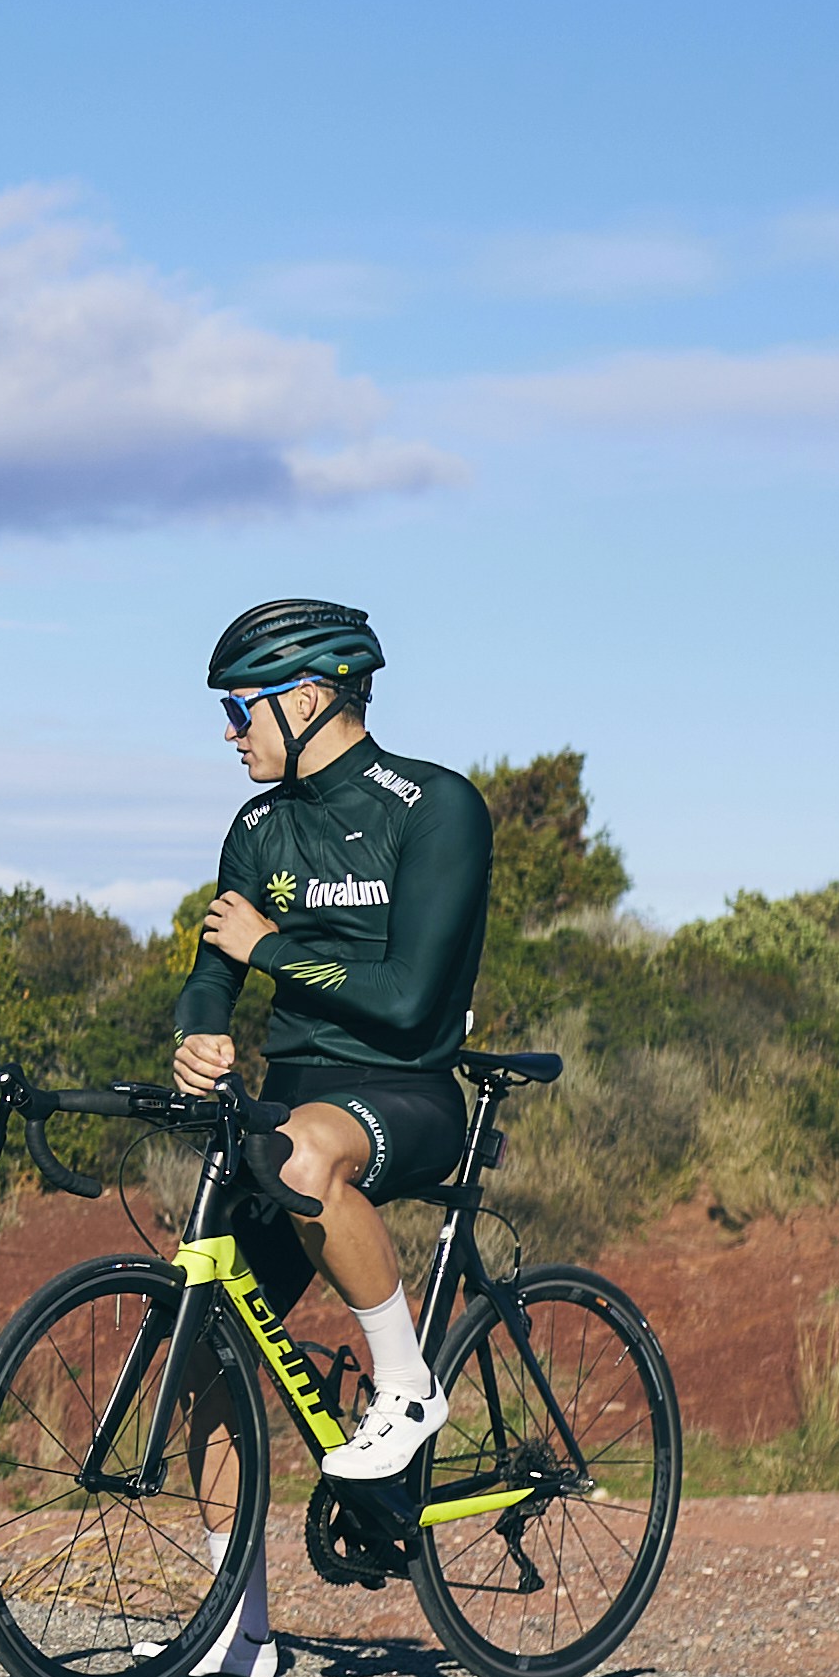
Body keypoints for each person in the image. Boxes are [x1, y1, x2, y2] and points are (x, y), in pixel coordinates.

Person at [169, 596, 494, 1492]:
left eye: (240, 708)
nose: (230, 733)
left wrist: (271, 947)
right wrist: (198, 1034)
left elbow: (407, 998)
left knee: (306, 1152)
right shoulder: (259, 829)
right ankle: (241, 1635)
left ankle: (406, 1387)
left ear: (304, 701)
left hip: (407, 1093)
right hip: (288, 1103)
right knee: (203, 1354)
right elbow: (211, 973)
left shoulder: (436, 807)